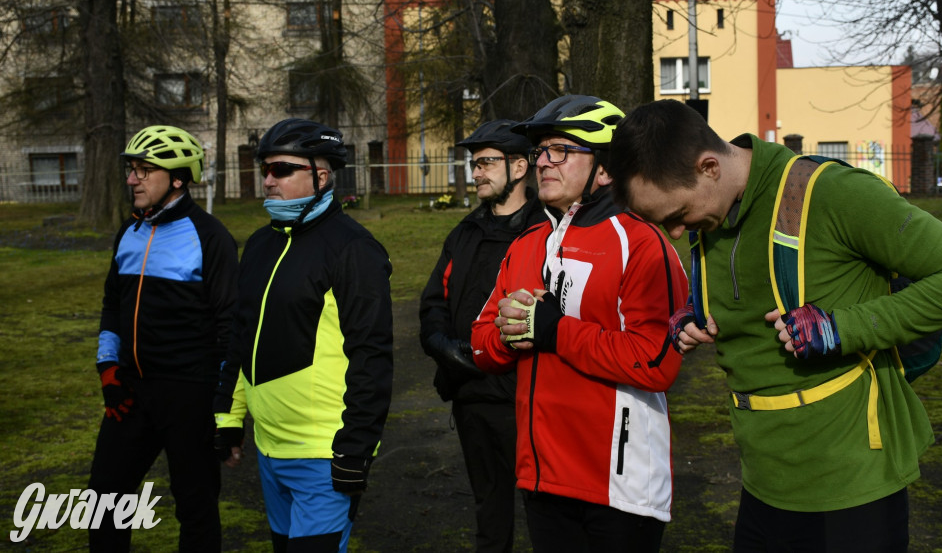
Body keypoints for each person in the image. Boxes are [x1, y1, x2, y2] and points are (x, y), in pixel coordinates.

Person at [607, 99, 942, 552]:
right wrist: (693, 311)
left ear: (709, 166)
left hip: (853, 482)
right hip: (762, 481)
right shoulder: (714, 211)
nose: (676, 234)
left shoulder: (834, 193)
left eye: (677, 216)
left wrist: (841, 328)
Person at [469, 95, 688, 553]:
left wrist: (553, 329)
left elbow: (656, 362)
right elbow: (480, 345)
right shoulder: (528, 242)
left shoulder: (644, 243)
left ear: (605, 169)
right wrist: (511, 335)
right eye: (540, 151)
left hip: (619, 488)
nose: (543, 162)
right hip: (542, 478)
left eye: (561, 150)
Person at [214, 118, 393, 552]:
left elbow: (374, 355)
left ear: (322, 174)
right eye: (265, 170)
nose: (268, 181)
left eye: (282, 170)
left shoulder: (354, 249)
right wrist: (228, 418)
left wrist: (356, 448)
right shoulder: (260, 243)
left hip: (324, 453)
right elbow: (241, 337)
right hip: (269, 448)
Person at [89, 125, 238, 552]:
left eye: (143, 170)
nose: (132, 179)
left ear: (177, 178)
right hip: (130, 392)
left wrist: (225, 407)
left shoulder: (210, 237)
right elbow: (112, 306)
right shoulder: (129, 231)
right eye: (131, 170)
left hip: (189, 394)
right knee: (103, 501)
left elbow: (231, 325)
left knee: (195, 506)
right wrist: (108, 369)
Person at [419, 120, 545, 552]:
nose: (476, 173)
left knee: (546, 511)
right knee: (489, 512)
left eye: (486, 163)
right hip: (471, 397)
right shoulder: (464, 232)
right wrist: (441, 346)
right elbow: (434, 301)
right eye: (474, 164)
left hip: (527, 399)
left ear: (519, 166)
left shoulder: (548, 233)